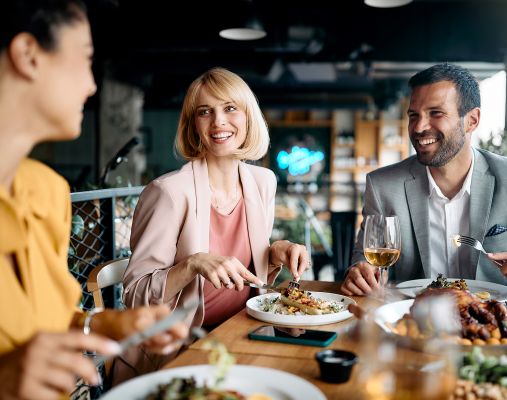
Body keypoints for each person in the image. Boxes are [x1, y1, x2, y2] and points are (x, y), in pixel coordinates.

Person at [0, 1, 189, 398]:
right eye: (86, 60)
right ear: (28, 55)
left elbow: (46, 324)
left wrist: (103, 326)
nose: (92, 85)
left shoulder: (47, 192)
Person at [116, 67, 309, 381]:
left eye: (230, 108)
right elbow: (135, 295)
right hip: (180, 351)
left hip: (245, 332)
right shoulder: (168, 192)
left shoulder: (262, 181)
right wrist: (193, 264)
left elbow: (246, 272)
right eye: (205, 112)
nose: (218, 121)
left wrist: (277, 252)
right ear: (194, 125)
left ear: (248, 116)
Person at [342, 63, 507, 298]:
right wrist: (362, 273)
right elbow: (365, 259)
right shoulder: (383, 186)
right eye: (414, 115)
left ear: (472, 120)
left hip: (495, 323)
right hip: (413, 321)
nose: (419, 127)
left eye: (436, 113)